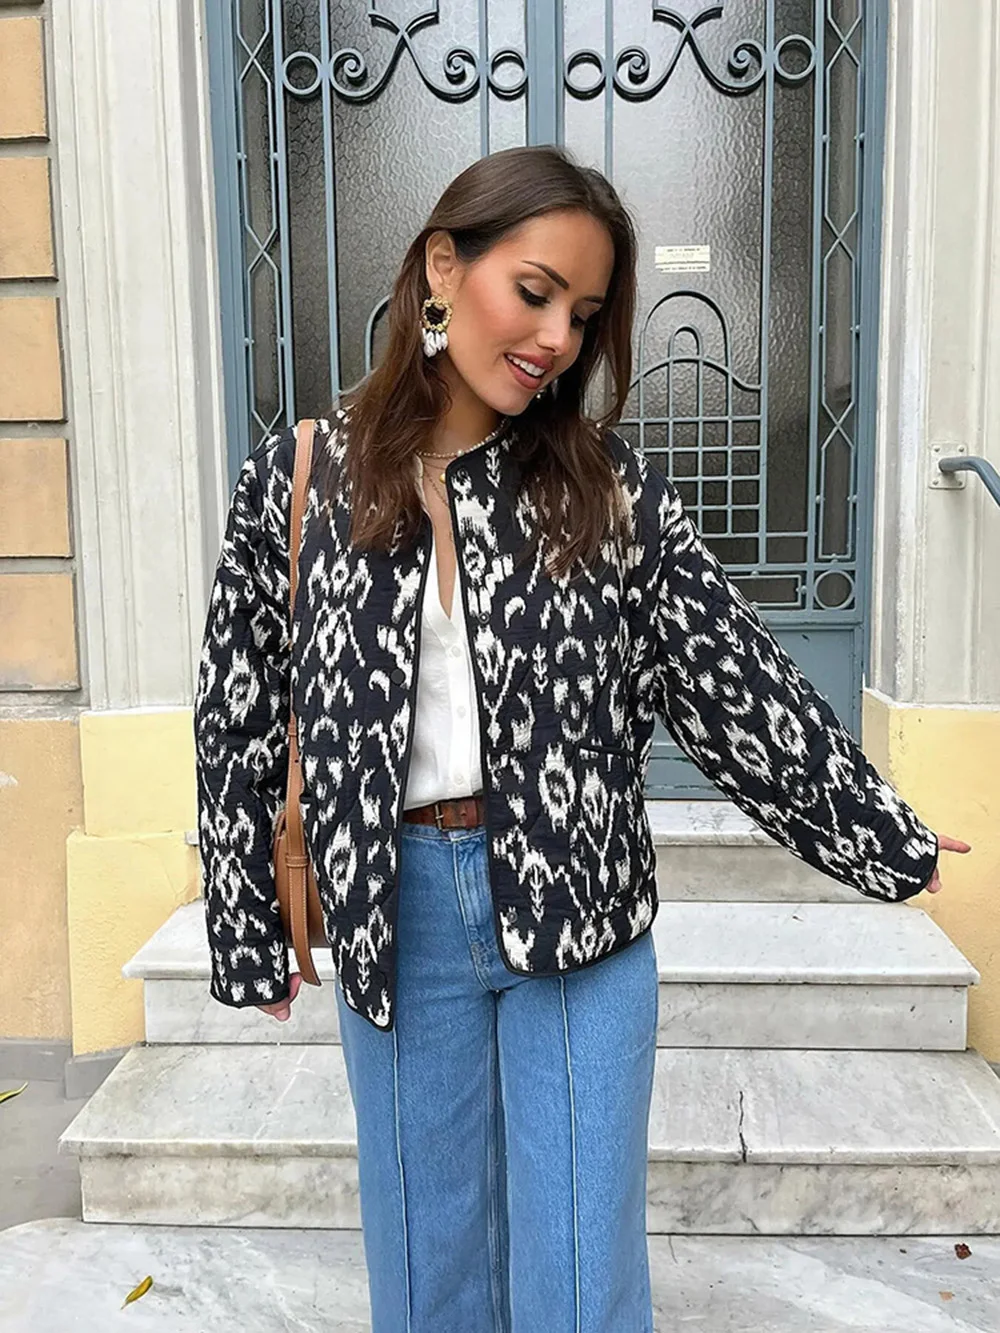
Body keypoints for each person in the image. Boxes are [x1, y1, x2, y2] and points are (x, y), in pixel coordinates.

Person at [193, 144, 970, 1332]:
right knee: (426, 1271)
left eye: (586, 313)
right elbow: (238, 706)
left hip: (580, 907)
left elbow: (729, 674)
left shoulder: (604, 489)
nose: (557, 337)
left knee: (578, 1279)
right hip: (396, 912)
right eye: (536, 291)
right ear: (441, 269)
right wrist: (249, 926)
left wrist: (881, 833)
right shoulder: (300, 479)